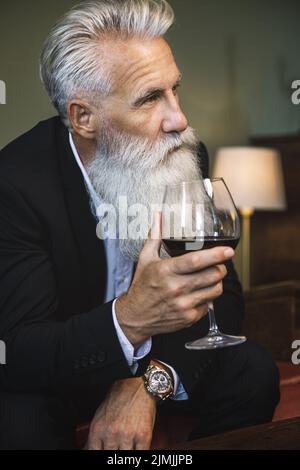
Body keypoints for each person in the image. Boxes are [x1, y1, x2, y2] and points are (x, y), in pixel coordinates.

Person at [0, 0, 279, 450]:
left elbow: (223, 295)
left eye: (175, 89)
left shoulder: (183, 154)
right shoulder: (14, 184)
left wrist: (151, 382)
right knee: (17, 418)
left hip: (153, 361)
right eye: (151, 97)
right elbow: (18, 348)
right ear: (83, 118)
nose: (180, 120)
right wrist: (129, 319)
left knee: (252, 369)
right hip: (62, 373)